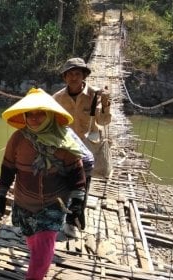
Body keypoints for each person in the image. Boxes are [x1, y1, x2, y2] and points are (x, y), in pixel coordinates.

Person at [0, 88, 86, 280]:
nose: (35, 118)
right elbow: (7, 168)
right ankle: (38, 259)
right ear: (24, 116)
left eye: (40, 113)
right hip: (24, 200)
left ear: (50, 115)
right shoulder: (17, 139)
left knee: (45, 240)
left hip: (54, 202)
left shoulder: (64, 141)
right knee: (32, 238)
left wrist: (77, 205)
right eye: (30, 114)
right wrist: (1, 197)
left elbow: (77, 174)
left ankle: (33, 279)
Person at [53, 57, 111, 238]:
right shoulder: (57, 98)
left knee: (83, 185)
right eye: (69, 74)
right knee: (63, 183)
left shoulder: (95, 95)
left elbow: (104, 121)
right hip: (66, 147)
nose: (73, 77)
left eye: (77, 73)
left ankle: (74, 220)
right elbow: (52, 122)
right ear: (64, 77)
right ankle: (65, 215)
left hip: (87, 149)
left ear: (84, 75)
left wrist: (106, 103)